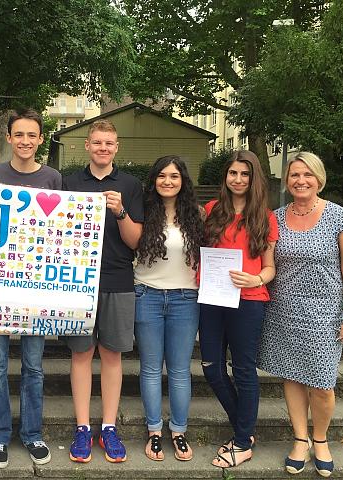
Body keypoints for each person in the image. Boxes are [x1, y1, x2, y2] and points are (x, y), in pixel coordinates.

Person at [257, 152, 343, 478]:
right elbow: (266, 263)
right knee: (291, 376)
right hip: (283, 309)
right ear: (287, 181)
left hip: (324, 313)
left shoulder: (339, 217)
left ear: (319, 178)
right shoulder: (274, 217)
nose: (301, 181)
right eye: (294, 175)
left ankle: (320, 438)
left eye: (307, 175)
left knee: (322, 384)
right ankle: (300, 438)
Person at [0, 109, 61, 469]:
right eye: (18, 134)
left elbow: (63, 229)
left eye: (32, 135)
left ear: (40, 139)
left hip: (38, 285)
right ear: (8, 138)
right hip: (1, 283)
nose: (25, 141)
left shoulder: (53, 177)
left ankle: (32, 433)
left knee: (34, 366)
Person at [63, 119, 143, 463]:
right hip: (75, 282)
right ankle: (83, 428)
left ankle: (108, 427)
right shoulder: (67, 183)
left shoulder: (130, 185)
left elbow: (137, 241)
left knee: (112, 356)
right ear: (87, 145)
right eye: (97, 143)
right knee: (81, 355)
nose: (103, 148)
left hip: (118, 280)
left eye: (109, 143)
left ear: (117, 147)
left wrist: (121, 210)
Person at [199, 149, 277, 468]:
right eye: (233, 173)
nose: (238, 179)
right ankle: (245, 427)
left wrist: (255, 277)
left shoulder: (265, 217)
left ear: (254, 178)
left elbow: (270, 267)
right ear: (226, 177)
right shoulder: (211, 210)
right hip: (213, 299)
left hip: (249, 301)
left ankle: (242, 442)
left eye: (245, 174)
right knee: (211, 367)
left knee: (243, 370)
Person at [134, 155, 204, 462]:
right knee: (150, 368)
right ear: (154, 180)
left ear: (182, 181)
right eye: (162, 175)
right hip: (146, 295)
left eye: (174, 176)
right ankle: (154, 431)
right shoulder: (142, 212)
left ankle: (178, 431)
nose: (167, 181)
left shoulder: (197, 215)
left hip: (185, 299)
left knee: (179, 370)